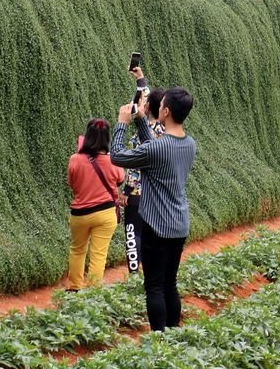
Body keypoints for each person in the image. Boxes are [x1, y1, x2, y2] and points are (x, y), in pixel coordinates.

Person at [111, 80, 197, 332]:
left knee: (155, 287)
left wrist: (122, 123)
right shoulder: (189, 144)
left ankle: (159, 340)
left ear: (166, 111)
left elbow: (117, 156)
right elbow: (154, 146)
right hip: (179, 223)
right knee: (170, 284)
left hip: (157, 225)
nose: (158, 106)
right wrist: (140, 120)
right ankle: (173, 334)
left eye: (161, 103)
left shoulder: (158, 149)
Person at [66, 119, 124, 290]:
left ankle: (74, 288)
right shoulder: (113, 160)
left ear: (88, 135)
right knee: (99, 254)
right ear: (107, 138)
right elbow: (120, 179)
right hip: (105, 213)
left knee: (77, 250)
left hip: (80, 214)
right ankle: (93, 292)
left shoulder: (75, 159)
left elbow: (72, 183)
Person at [121, 69, 165, 275]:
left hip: (138, 194)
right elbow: (145, 100)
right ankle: (151, 274)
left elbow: (136, 166)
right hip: (156, 194)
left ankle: (133, 276)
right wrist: (140, 79)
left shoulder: (143, 132)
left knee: (133, 233)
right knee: (149, 235)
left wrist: (126, 191)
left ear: (147, 108)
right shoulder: (165, 132)